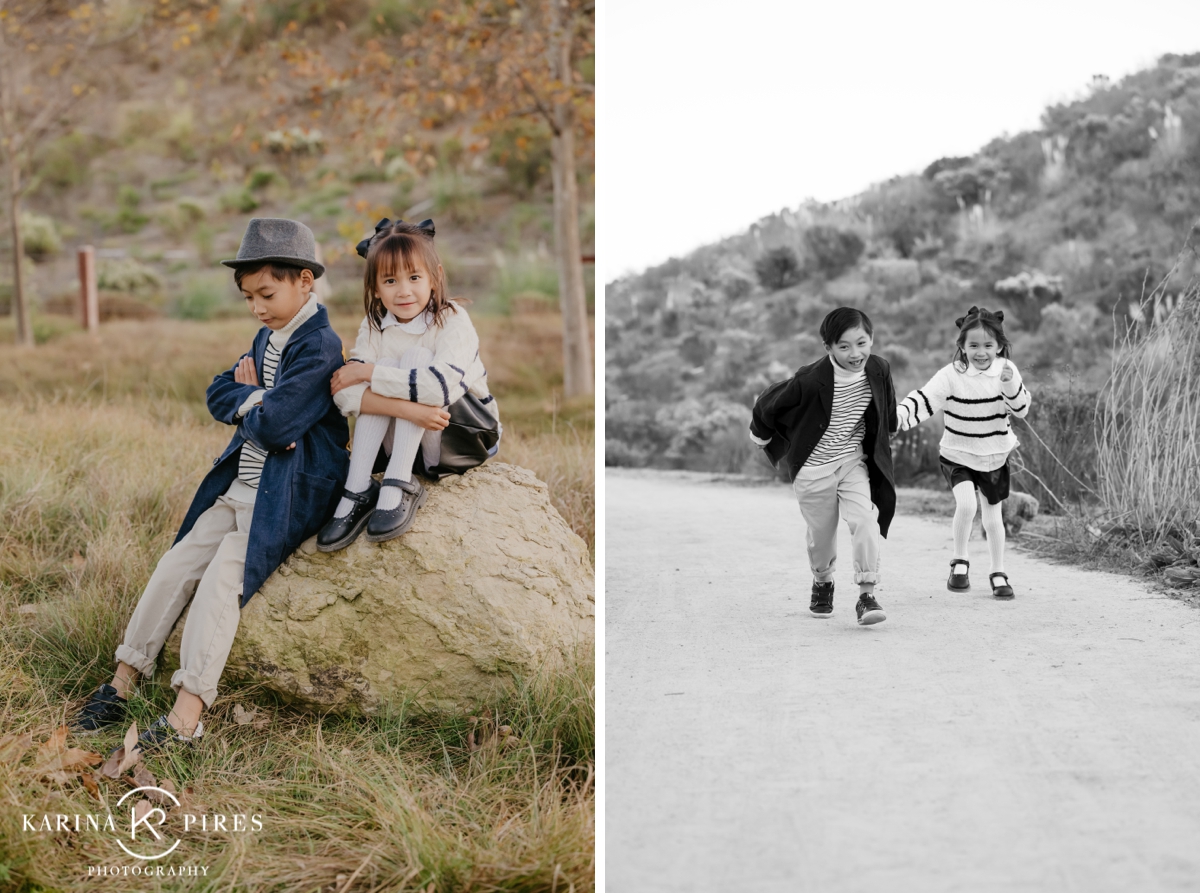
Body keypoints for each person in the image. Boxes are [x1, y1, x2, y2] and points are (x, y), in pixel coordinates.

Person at [69, 218, 349, 754]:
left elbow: (279, 425)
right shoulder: (269, 335)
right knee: (177, 563)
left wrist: (259, 406)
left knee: (223, 581)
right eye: (248, 298)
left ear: (306, 281)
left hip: (285, 493)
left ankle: (186, 717)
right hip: (241, 485)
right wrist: (255, 399)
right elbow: (218, 392)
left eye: (266, 293)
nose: (257, 308)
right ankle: (121, 682)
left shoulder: (320, 346)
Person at [316, 217, 499, 551]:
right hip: (409, 438)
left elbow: (440, 390)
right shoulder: (373, 326)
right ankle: (358, 488)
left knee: (411, 359)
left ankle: (399, 484)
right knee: (384, 365)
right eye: (390, 280)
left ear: (435, 277)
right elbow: (343, 394)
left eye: (414, 277)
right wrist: (405, 409)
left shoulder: (452, 318)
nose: (403, 290)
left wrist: (369, 374)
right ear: (374, 287)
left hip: (461, 437)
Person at [750, 307, 898, 625]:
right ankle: (822, 580)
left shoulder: (879, 369)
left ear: (871, 339)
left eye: (861, 343)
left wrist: (888, 435)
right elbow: (766, 403)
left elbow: (888, 411)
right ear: (828, 348)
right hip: (813, 469)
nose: (855, 353)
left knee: (865, 521)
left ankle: (866, 595)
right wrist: (763, 439)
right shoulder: (810, 379)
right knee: (822, 537)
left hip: (851, 462)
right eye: (844, 346)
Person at [895, 305, 1031, 599]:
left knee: (993, 517)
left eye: (988, 345)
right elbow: (924, 399)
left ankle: (998, 572)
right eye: (973, 345)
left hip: (994, 455)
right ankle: (960, 562)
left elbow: (1020, 410)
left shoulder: (1007, 371)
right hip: (957, 454)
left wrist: (1009, 383)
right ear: (962, 346)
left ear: (999, 346)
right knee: (967, 505)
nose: (981, 352)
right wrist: (897, 418)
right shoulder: (951, 375)